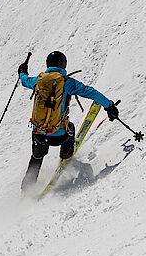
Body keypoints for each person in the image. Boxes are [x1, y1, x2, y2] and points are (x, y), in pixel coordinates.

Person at [18, 50, 118, 193]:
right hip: (59, 136)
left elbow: (24, 80)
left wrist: (22, 71)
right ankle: (65, 157)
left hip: (39, 135)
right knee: (70, 127)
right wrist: (109, 106)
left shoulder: (38, 81)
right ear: (63, 65)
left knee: (36, 157)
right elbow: (91, 92)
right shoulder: (67, 83)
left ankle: (26, 188)